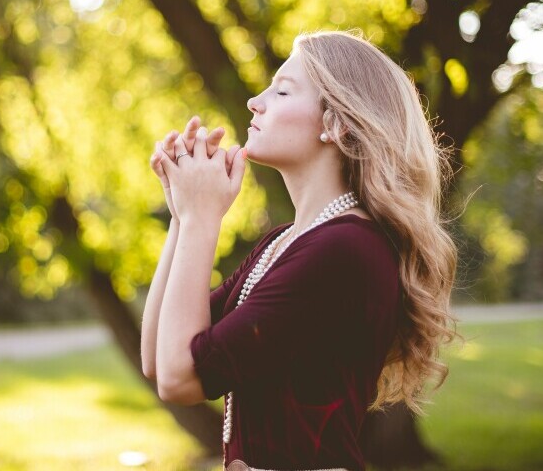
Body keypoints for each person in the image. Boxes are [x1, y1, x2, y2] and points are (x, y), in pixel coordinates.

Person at [140, 30, 458, 471]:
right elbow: (159, 357)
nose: (256, 100)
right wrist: (182, 214)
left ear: (336, 124)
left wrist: (202, 219)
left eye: (282, 90)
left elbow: (181, 379)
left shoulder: (344, 250)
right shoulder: (285, 242)